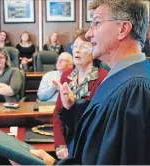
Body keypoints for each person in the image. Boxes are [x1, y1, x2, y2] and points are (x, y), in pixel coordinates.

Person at [29, 0, 150, 165]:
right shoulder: (123, 77)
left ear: (123, 29)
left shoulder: (137, 91)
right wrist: (74, 107)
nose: (89, 34)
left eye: (96, 23)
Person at [53, 29, 108, 159]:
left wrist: (73, 105)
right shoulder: (66, 75)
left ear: (94, 51)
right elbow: (57, 114)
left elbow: (99, 119)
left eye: (82, 46)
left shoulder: (103, 77)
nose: (76, 50)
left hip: (91, 146)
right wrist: (60, 145)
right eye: (75, 46)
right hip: (68, 139)